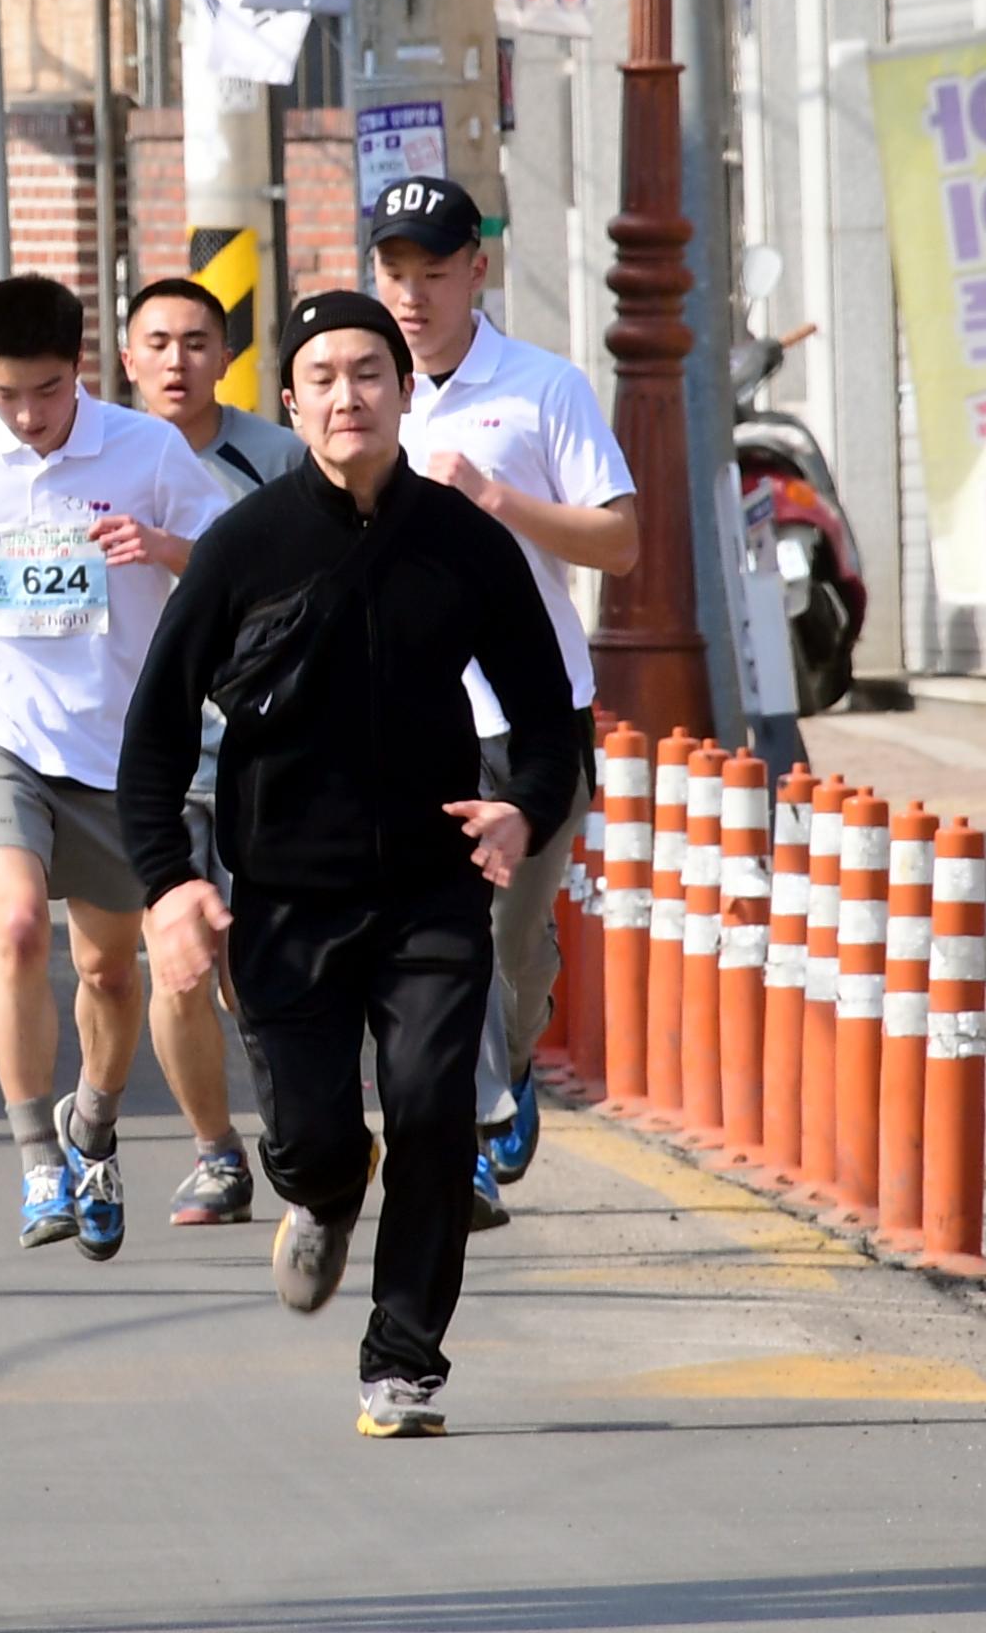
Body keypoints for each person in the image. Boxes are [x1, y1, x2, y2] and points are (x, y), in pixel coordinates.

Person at [116, 289, 583, 1439]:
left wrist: (525, 806)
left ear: (404, 390)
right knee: (316, 1140)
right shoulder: (247, 544)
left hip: (429, 885)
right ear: (291, 400)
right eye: (320, 375)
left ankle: (404, 1358)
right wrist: (172, 881)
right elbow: (155, 734)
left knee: (432, 1108)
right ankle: (324, 1193)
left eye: (367, 372)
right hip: (283, 893)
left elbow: (546, 711)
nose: (346, 394)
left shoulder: (465, 542)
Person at [0, 273, 227, 1262]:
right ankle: (38, 1154)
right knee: (15, 923)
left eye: (46, 390)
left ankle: (94, 1123)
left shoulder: (146, 449)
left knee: (108, 969)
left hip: (121, 743)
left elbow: (228, 554)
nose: (30, 413)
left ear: (77, 367)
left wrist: (162, 543)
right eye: (8, 395)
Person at [366, 175, 639, 1216]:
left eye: (434, 271)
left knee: (514, 945)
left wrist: (494, 498)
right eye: (395, 272)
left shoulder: (543, 387)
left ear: (477, 270)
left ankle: (515, 1059)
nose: (413, 294)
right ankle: (466, 1135)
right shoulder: (360, 387)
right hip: (418, 716)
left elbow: (620, 541)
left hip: (537, 711)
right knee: (444, 934)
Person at [114, 275, 307, 1227]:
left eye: (196, 342)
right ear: (126, 359)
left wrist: (167, 547)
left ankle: (298, 1140)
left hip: (259, 749)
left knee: (257, 971)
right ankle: (215, 1152)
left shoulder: (276, 456)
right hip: (148, 753)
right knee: (174, 961)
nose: (175, 362)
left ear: (225, 357)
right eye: (156, 343)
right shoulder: (95, 451)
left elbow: (296, 573)